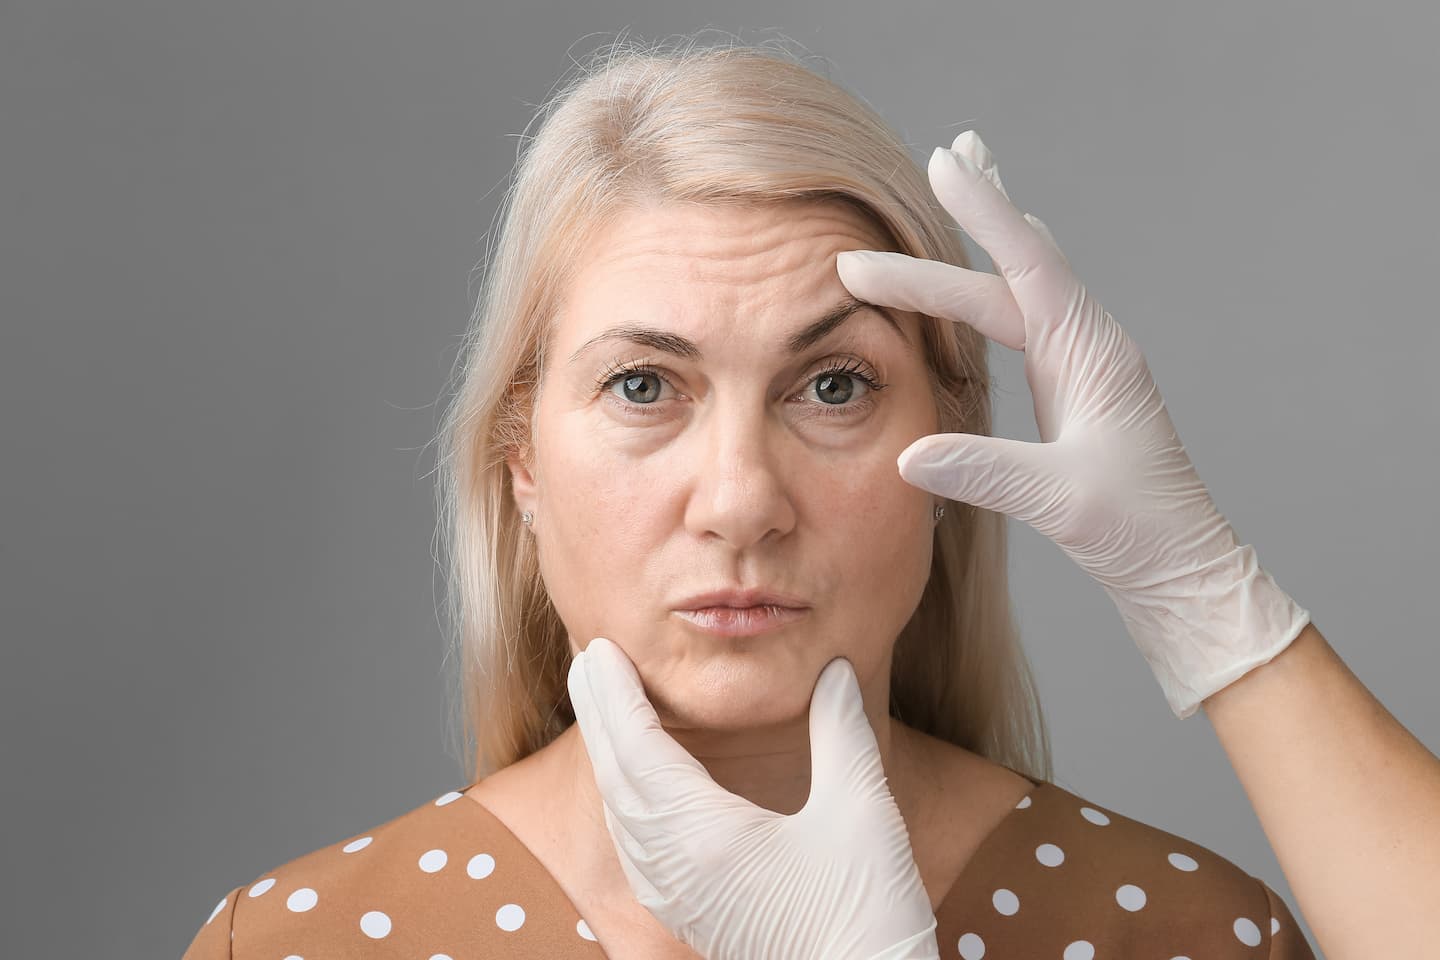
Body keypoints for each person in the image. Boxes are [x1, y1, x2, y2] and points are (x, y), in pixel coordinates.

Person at [182, 34, 1439, 960]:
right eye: (640, 386)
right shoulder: (304, 943)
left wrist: (1203, 591)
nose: (740, 500)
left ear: (954, 452)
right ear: (520, 463)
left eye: (833, 385)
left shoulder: (1182, 936)